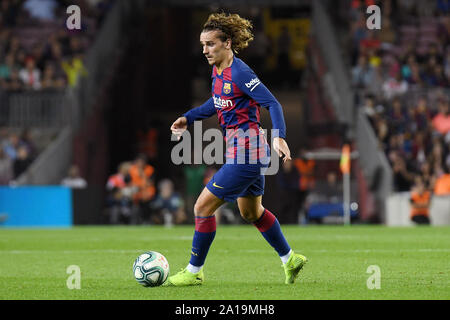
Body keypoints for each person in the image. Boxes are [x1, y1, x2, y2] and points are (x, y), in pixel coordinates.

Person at [167, 13, 307, 287]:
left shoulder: (241, 73)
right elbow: (215, 103)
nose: (204, 50)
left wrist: (279, 137)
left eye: (210, 44)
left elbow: (273, 104)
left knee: (202, 207)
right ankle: (290, 258)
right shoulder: (217, 71)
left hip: (248, 153)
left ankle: (194, 270)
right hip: (240, 152)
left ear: (227, 43)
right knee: (252, 213)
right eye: (202, 44)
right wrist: (189, 117)